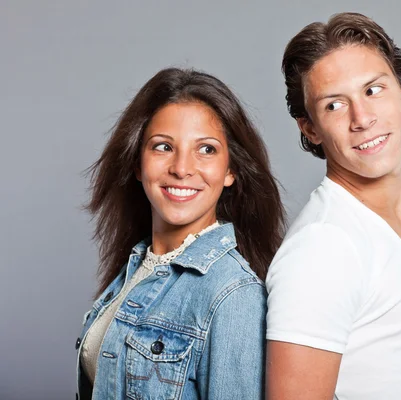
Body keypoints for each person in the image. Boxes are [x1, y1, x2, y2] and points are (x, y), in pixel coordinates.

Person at [265, 12, 401, 399]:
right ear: (310, 129)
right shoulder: (325, 247)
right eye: (335, 105)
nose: (362, 119)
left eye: (373, 90)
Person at [76, 67, 285, 399]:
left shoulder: (232, 294)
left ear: (231, 170)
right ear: (137, 163)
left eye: (206, 149)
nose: (182, 168)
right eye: (162, 147)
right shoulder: (137, 268)